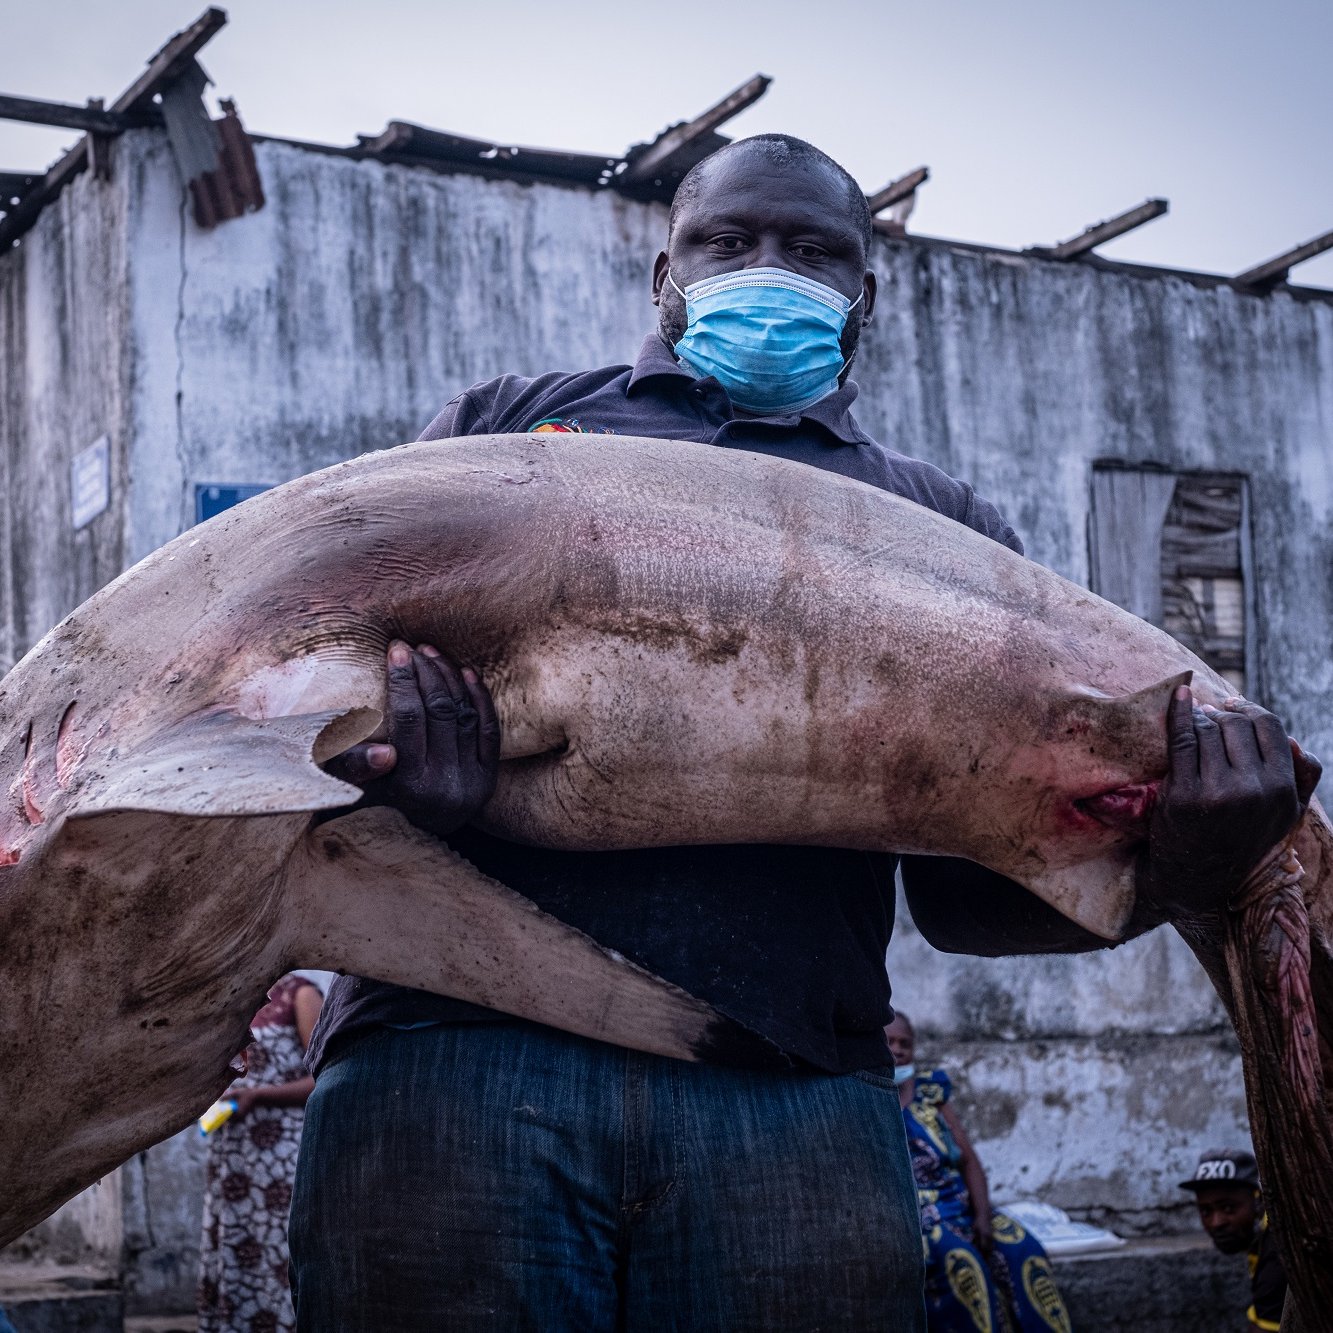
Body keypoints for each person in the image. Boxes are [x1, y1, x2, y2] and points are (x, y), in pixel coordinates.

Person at [288, 133, 1312, 1332]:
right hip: (453, 1052)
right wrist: (408, 779)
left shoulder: (941, 526)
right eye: (728, 240)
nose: (767, 266)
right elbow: (309, 707)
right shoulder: (509, 427)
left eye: (812, 247)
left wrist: (1175, 868)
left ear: (862, 293)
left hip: (787, 1095)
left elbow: (962, 900)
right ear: (663, 273)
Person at [887, 1012, 1072, 1332]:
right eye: (889, 1042)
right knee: (962, 1263)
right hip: (915, 1218)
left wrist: (983, 1215)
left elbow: (969, 1160)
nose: (898, 1049)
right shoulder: (866, 1097)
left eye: (906, 1043)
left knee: (1023, 1249)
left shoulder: (931, 1091)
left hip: (958, 1205)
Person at [198, 974, 323, 1333]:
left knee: (277, 1247)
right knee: (236, 1242)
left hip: (279, 1152)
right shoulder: (236, 994)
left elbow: (322, 1077)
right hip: (235, 1153)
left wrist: (258, 1096)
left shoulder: (301, 994)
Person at [1181, 1148, 1287, 1331]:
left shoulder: (1278, 1251)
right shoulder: (1262, 1237)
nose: (1216, 1222)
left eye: (1228, 1208)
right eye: (1206, 1211)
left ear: (1259, 1202)